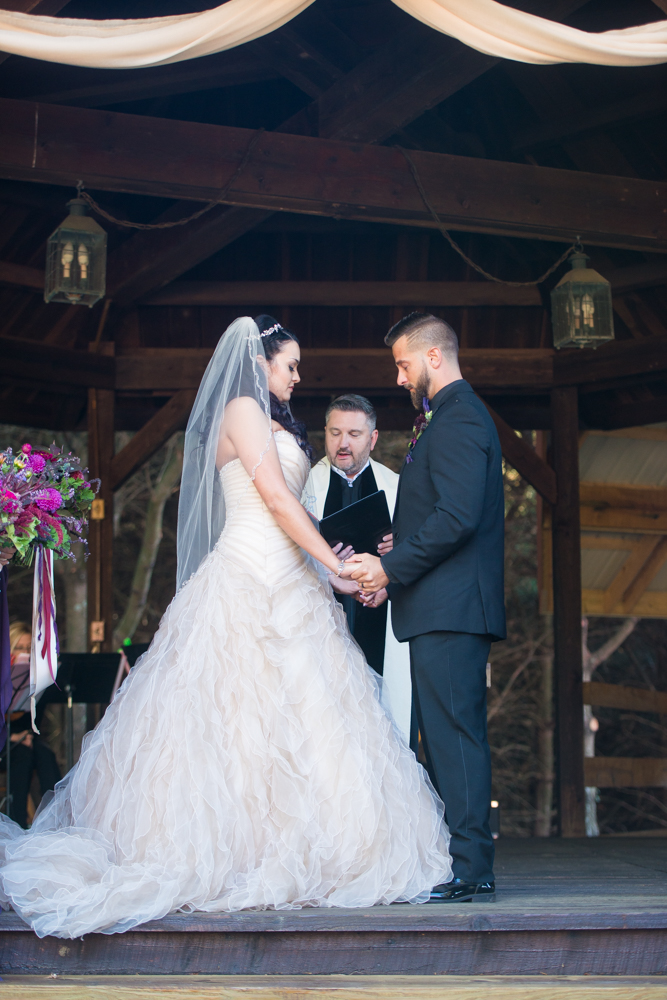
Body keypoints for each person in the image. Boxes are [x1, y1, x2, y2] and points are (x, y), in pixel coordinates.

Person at [0, 315, 450, 939]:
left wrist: (331, 571)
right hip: (244, 579)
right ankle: (231, 852)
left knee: (303, 722)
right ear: (259, 363)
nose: (297, 376)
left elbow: (293, 517)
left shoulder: (275, 423)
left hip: (292, 584)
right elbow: (273, 498)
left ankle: (305, 849)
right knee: (233, 717)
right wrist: (334, 567)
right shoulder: (241, 409)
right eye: (290, 365)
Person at [347, 312, 506, 904]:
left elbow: (459, 517)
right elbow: (440, 514)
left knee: (455, 735)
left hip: (454, 607)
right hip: (437, 602)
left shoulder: (461, 416)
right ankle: (458, 859)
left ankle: (471, 867)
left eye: (403, 364)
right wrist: (398, 557)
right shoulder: (442, 418)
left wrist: (390, 567)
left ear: (433, 357)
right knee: (439, 736)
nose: (398, 377)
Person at [306, 394, 413, 744]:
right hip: (319, 627)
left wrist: (391, 576)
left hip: (379, 622)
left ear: (374, 438)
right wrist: (324, 570)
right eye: (335, 433)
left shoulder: (399, 489)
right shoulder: (304, 487)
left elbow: (421, 558)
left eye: (354, 434)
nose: (343, 443)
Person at [2, 622, 61, 829]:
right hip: (5, 741)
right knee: (22, 757)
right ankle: (16, 823)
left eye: (29, 649)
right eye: (19, 648)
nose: (25, 653)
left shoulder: (31, 677)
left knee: (45, 754)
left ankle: (55, 819)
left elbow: (35, 721)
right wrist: (11, 737)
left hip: (26, 737)